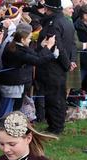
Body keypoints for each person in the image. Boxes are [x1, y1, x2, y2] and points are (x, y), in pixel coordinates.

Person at [0, 25, 56, 117]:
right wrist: (51, 51)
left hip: (17, 84)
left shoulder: (18, 46)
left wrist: (42, 46)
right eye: (29, 38)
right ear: (22, 39)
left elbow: (35, 55)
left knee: (14, 110)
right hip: (12, 85)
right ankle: (0, 128)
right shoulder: (16, 51)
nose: (30, 40)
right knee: (6, 112)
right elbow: (37, 60)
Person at [36, 0, 76, 134]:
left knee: (54, 98)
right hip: (60, 65)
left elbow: (57, 46)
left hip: (53, 66)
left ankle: (56, 126)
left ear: (48, 9)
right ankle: (56, 124)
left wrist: (67, 63)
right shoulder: (67, 21)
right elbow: (71, 45)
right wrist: (70, 61)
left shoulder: (54, 24)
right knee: (58, 96)